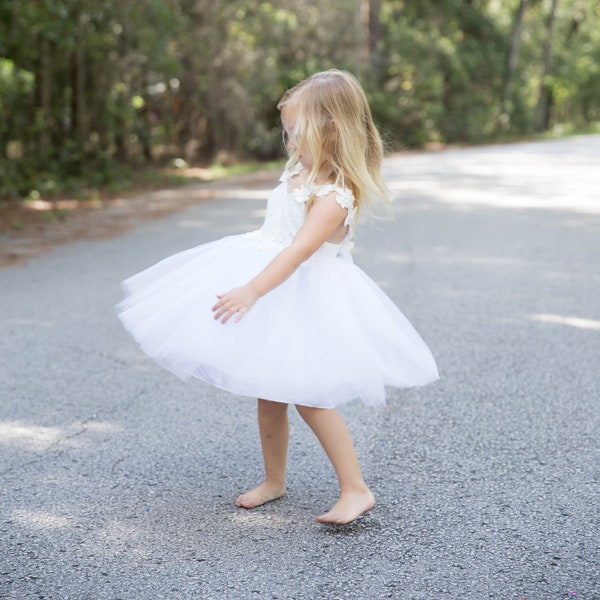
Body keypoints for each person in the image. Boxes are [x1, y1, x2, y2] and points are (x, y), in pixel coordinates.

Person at [116, 69, 438, 525]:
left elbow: (299, 251)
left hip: (302, 294)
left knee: (309, 398)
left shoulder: (335, 195)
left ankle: (356, 489)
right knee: (268, 392)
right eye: (286, 133)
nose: (290, 144)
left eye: (297, 133)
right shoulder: (299, 171)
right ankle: (274, 480)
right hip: (274, 282)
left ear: (331, 130)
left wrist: (252, 289)